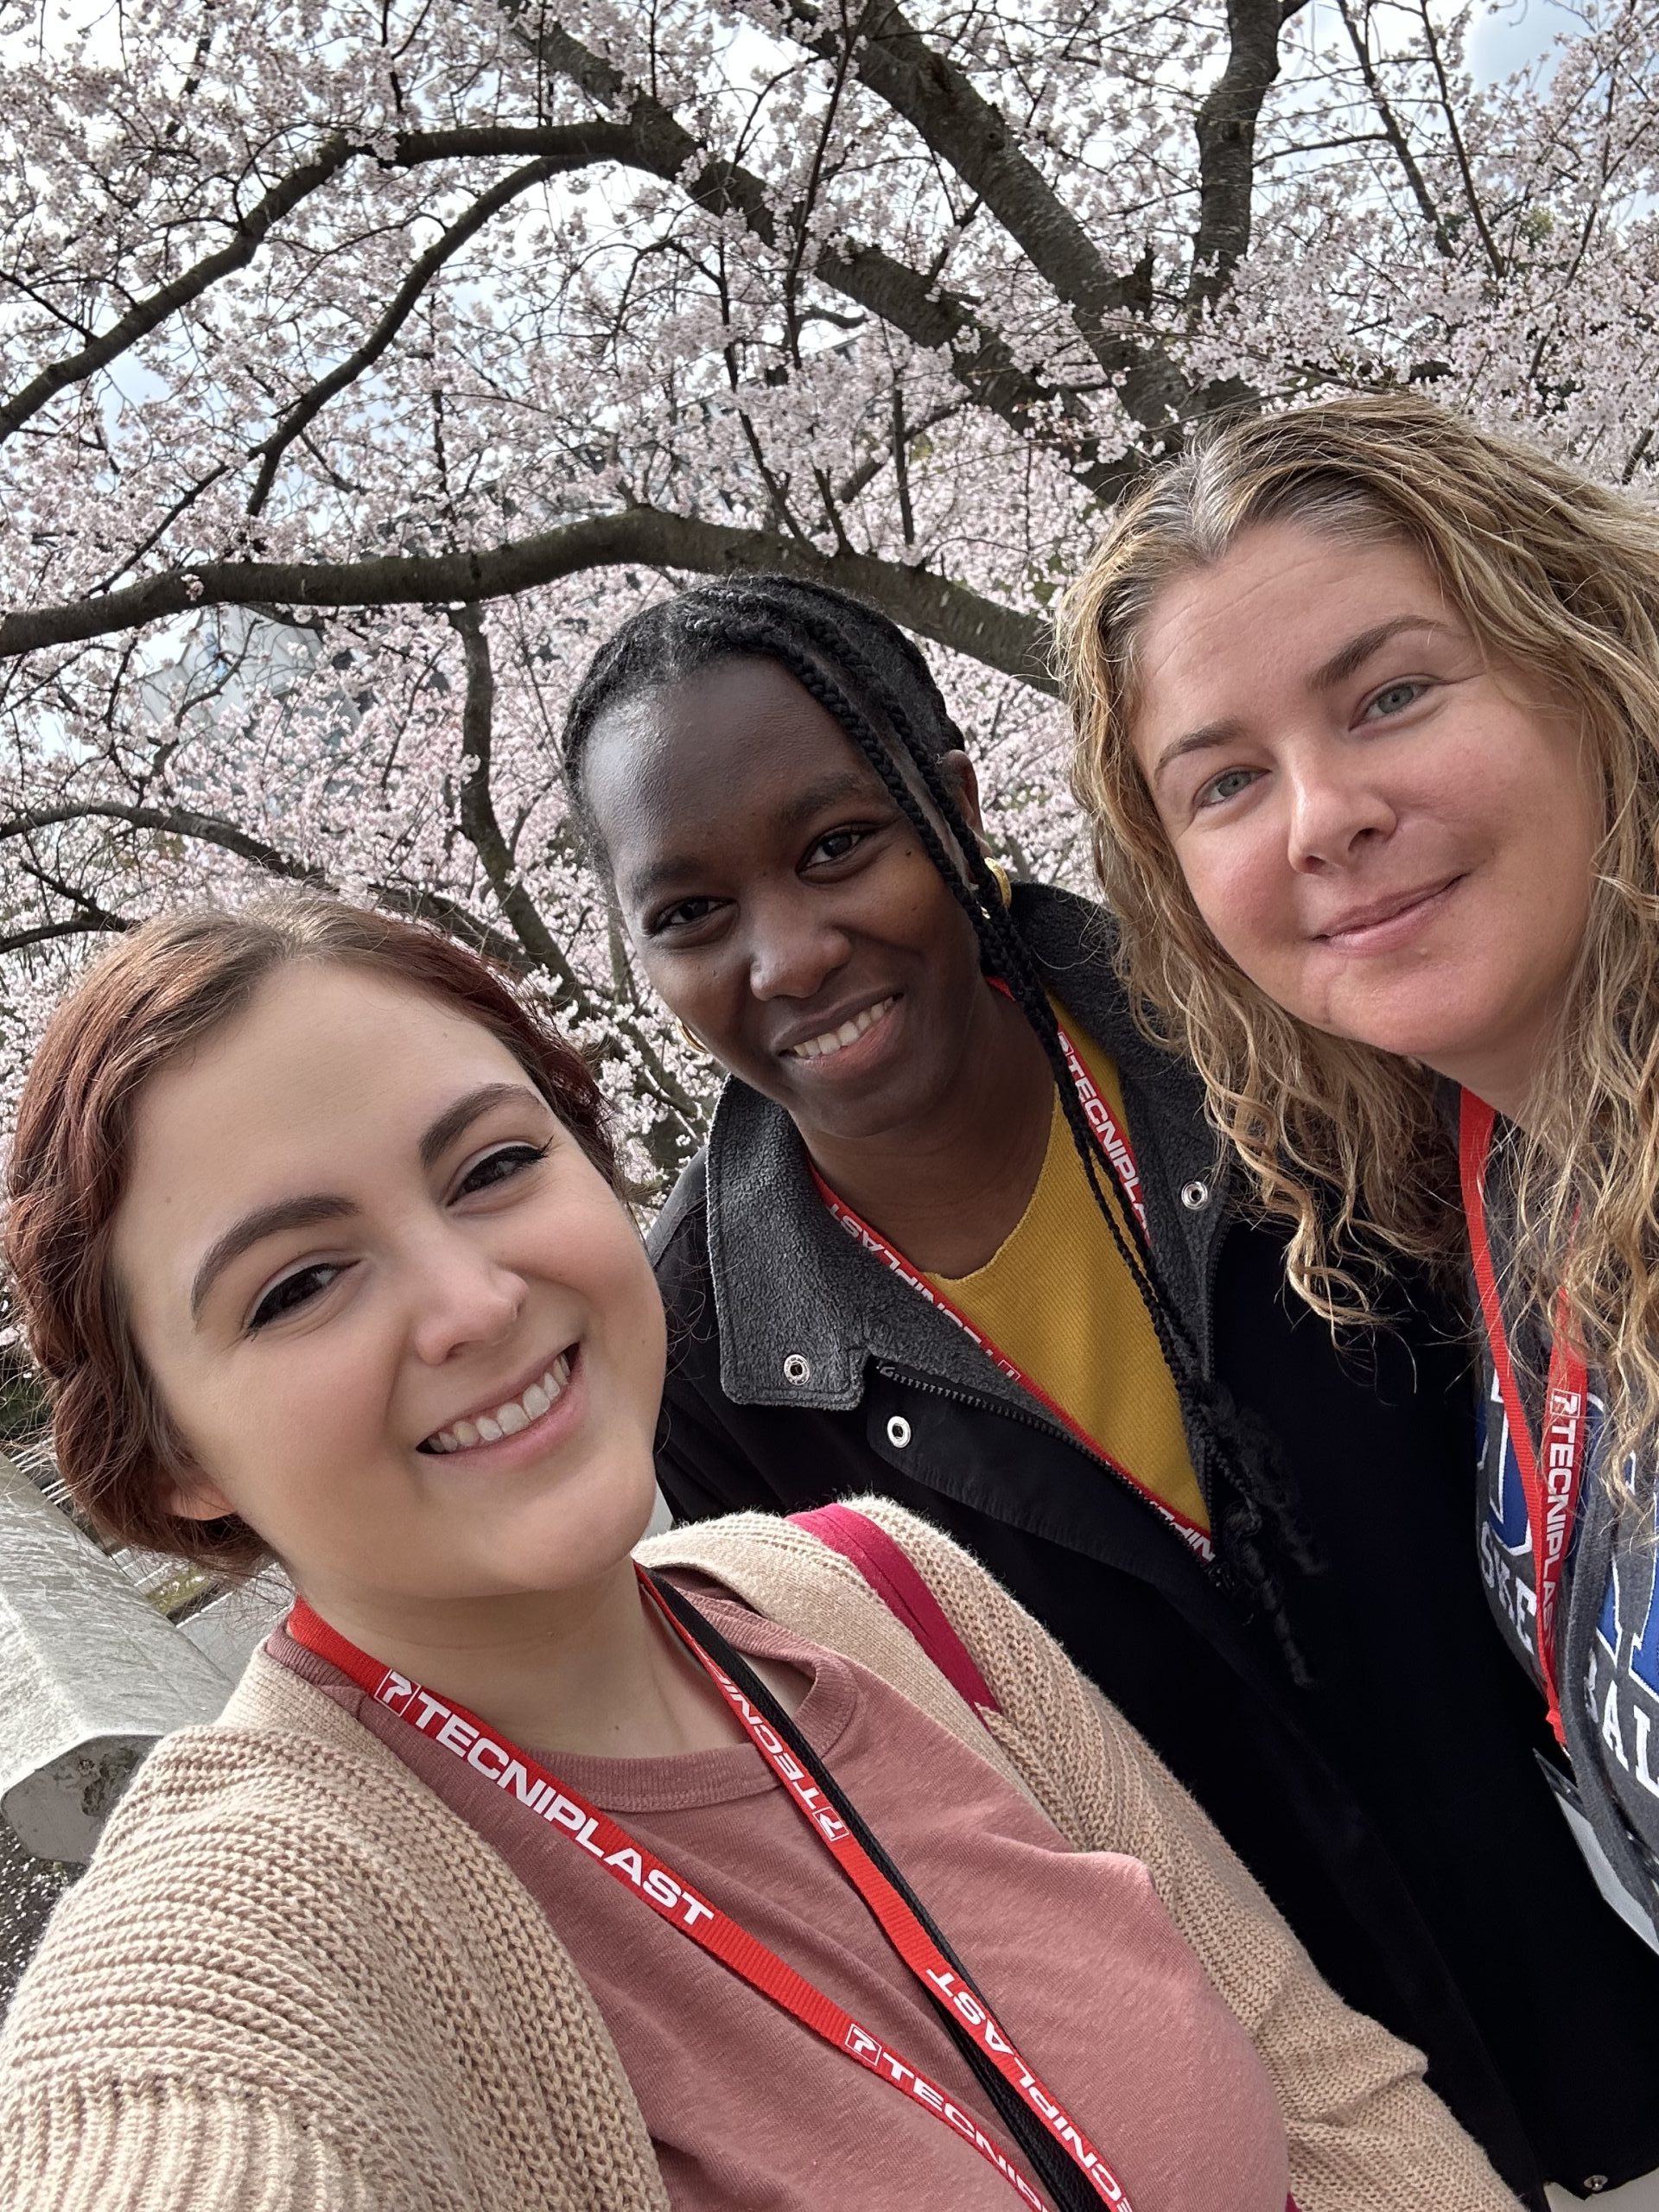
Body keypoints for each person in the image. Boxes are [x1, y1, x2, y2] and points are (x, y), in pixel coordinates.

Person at [0, 896, 1517, 2212]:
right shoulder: (279, 1905)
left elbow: (1325, 2087)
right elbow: (161, 2105)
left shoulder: (873, 1590)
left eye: (490, 1169)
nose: (468, 1302)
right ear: (174, 1450)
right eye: (301, 1284)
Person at [557, 573, 1650, 2209]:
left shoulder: (1277, 1028)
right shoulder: (709, 1358)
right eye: (690, 915)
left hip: (1615, 1960)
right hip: (1319, 2140)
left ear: (956, 796)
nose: (789, 952)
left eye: (840, 844)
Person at [1060, 391, 1659, 2209]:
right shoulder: (1493, 1156)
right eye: (1225, 780)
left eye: (1392, 691)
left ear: (1589, 654)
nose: (1326, 816)